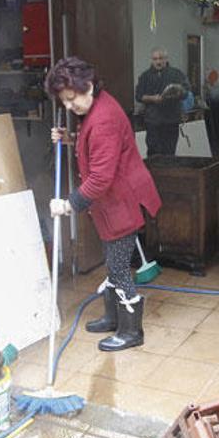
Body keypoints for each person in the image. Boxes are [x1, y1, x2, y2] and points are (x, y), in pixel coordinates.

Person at [46, 57, 162, 352]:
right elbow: (95, 146)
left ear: (87, 86)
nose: (70, 107)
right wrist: (71, 139)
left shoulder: (103, 119)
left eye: (72, 99)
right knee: (114, 263)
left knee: (119, 266)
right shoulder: (97, 107)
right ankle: (113, 317)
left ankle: (131, 331)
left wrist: (68, 205)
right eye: (65, 103)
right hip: (111, 204)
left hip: (122, 203)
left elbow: (99, 179)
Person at [135, 47, 190, 156]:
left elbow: (186, 93)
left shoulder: (176, 74)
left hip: (171, 120)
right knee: (153, 153)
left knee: (169, 152)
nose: (158, 62)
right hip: (153, 122)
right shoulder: (145, 76)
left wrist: (177, 92)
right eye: (155, 59)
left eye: (161, 58)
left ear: (166, 59)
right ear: (152, 60)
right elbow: (138, 96)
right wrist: (153, 98)